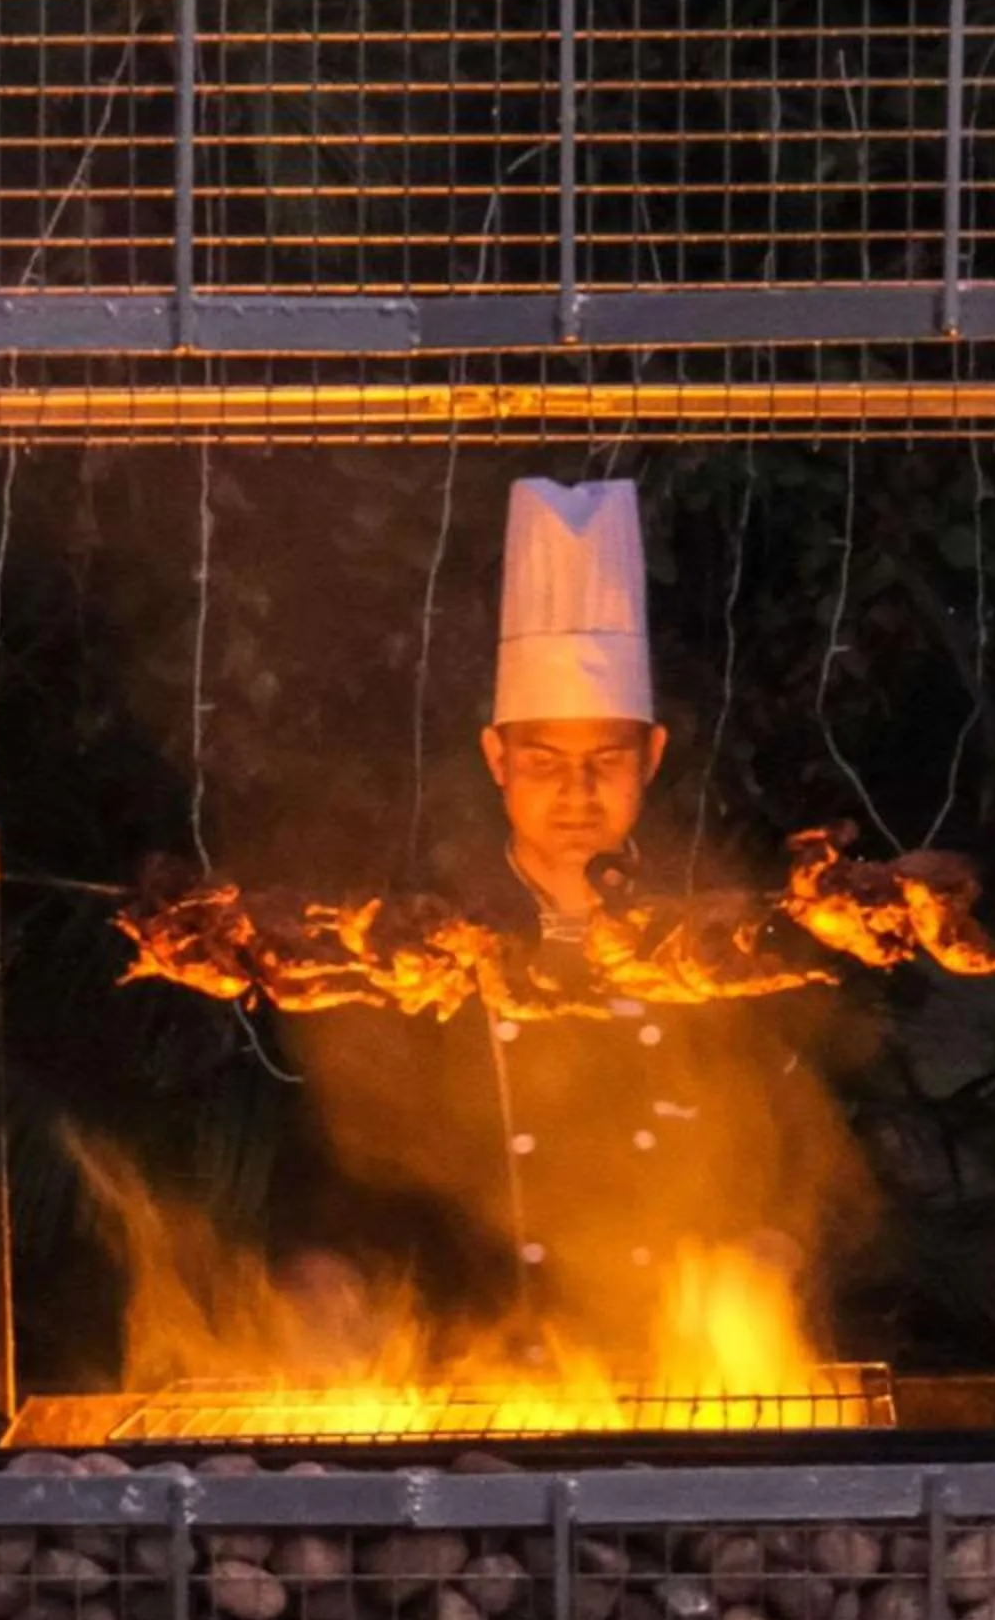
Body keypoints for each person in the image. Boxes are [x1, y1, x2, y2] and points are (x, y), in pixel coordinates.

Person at [271, 478, 872, 1377]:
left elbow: (801, 1158)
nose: (576, 793)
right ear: (497, 761)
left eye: (605, 762)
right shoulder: (422, 951)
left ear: (652, 759)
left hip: (690, 1372)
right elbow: (355, 1175)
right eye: (545, 762)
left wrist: (772, 1253)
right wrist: (331, 1278)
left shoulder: (728, 949)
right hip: (467, 1376)